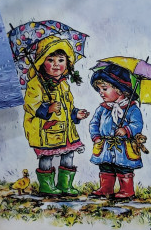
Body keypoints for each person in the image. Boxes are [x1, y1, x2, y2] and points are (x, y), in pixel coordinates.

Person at [22, 35, 89, 196]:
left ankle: (65, 185)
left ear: (67, 63)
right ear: (41, 62)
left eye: (60, 60)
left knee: (69, 154)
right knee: (46, 157)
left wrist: (76, 114)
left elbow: (68, 105)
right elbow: (30, 104)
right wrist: (47, 109)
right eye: (50, 60)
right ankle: (47, 186)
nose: (56, 64)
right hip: (46, 131)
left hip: (65, 130)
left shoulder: (63, 84)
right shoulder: (35, 83)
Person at [89, 62, 144, 200]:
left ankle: (126, 190)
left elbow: (137, 124)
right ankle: (106, 189)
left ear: (119, 90)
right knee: (105, 167)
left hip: (123, 147)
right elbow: (94, 123)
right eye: (99, 89)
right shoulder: (102, 108)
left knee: (123, 168)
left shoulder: (132, 109)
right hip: (105, 146)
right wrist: (96, 136)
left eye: (104, 88)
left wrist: (126, 129)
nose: (100, 92)